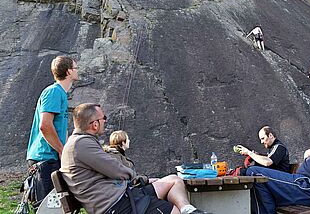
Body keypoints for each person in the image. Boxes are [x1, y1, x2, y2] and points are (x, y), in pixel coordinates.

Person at [61, 103, 209, 214]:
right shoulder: (81, 144)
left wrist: (142, 180)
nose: (105, 121)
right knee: (173, 211)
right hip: (118, 205)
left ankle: (188, 210)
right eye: (103, 118)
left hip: (126, 195)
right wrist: (136, 177)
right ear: (94, 125)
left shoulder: (81, 142)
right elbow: (116, 169)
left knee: (173, 180)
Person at [25, 56, 78, 208]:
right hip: (45, 159)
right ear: (68, 71)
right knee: (46, 209)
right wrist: (61, 150)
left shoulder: (61, 93)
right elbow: (45, 125)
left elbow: (59, 128)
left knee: (56, 208)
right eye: (75, 68)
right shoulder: (53, 92)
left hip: (52, 158)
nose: (77, 71)